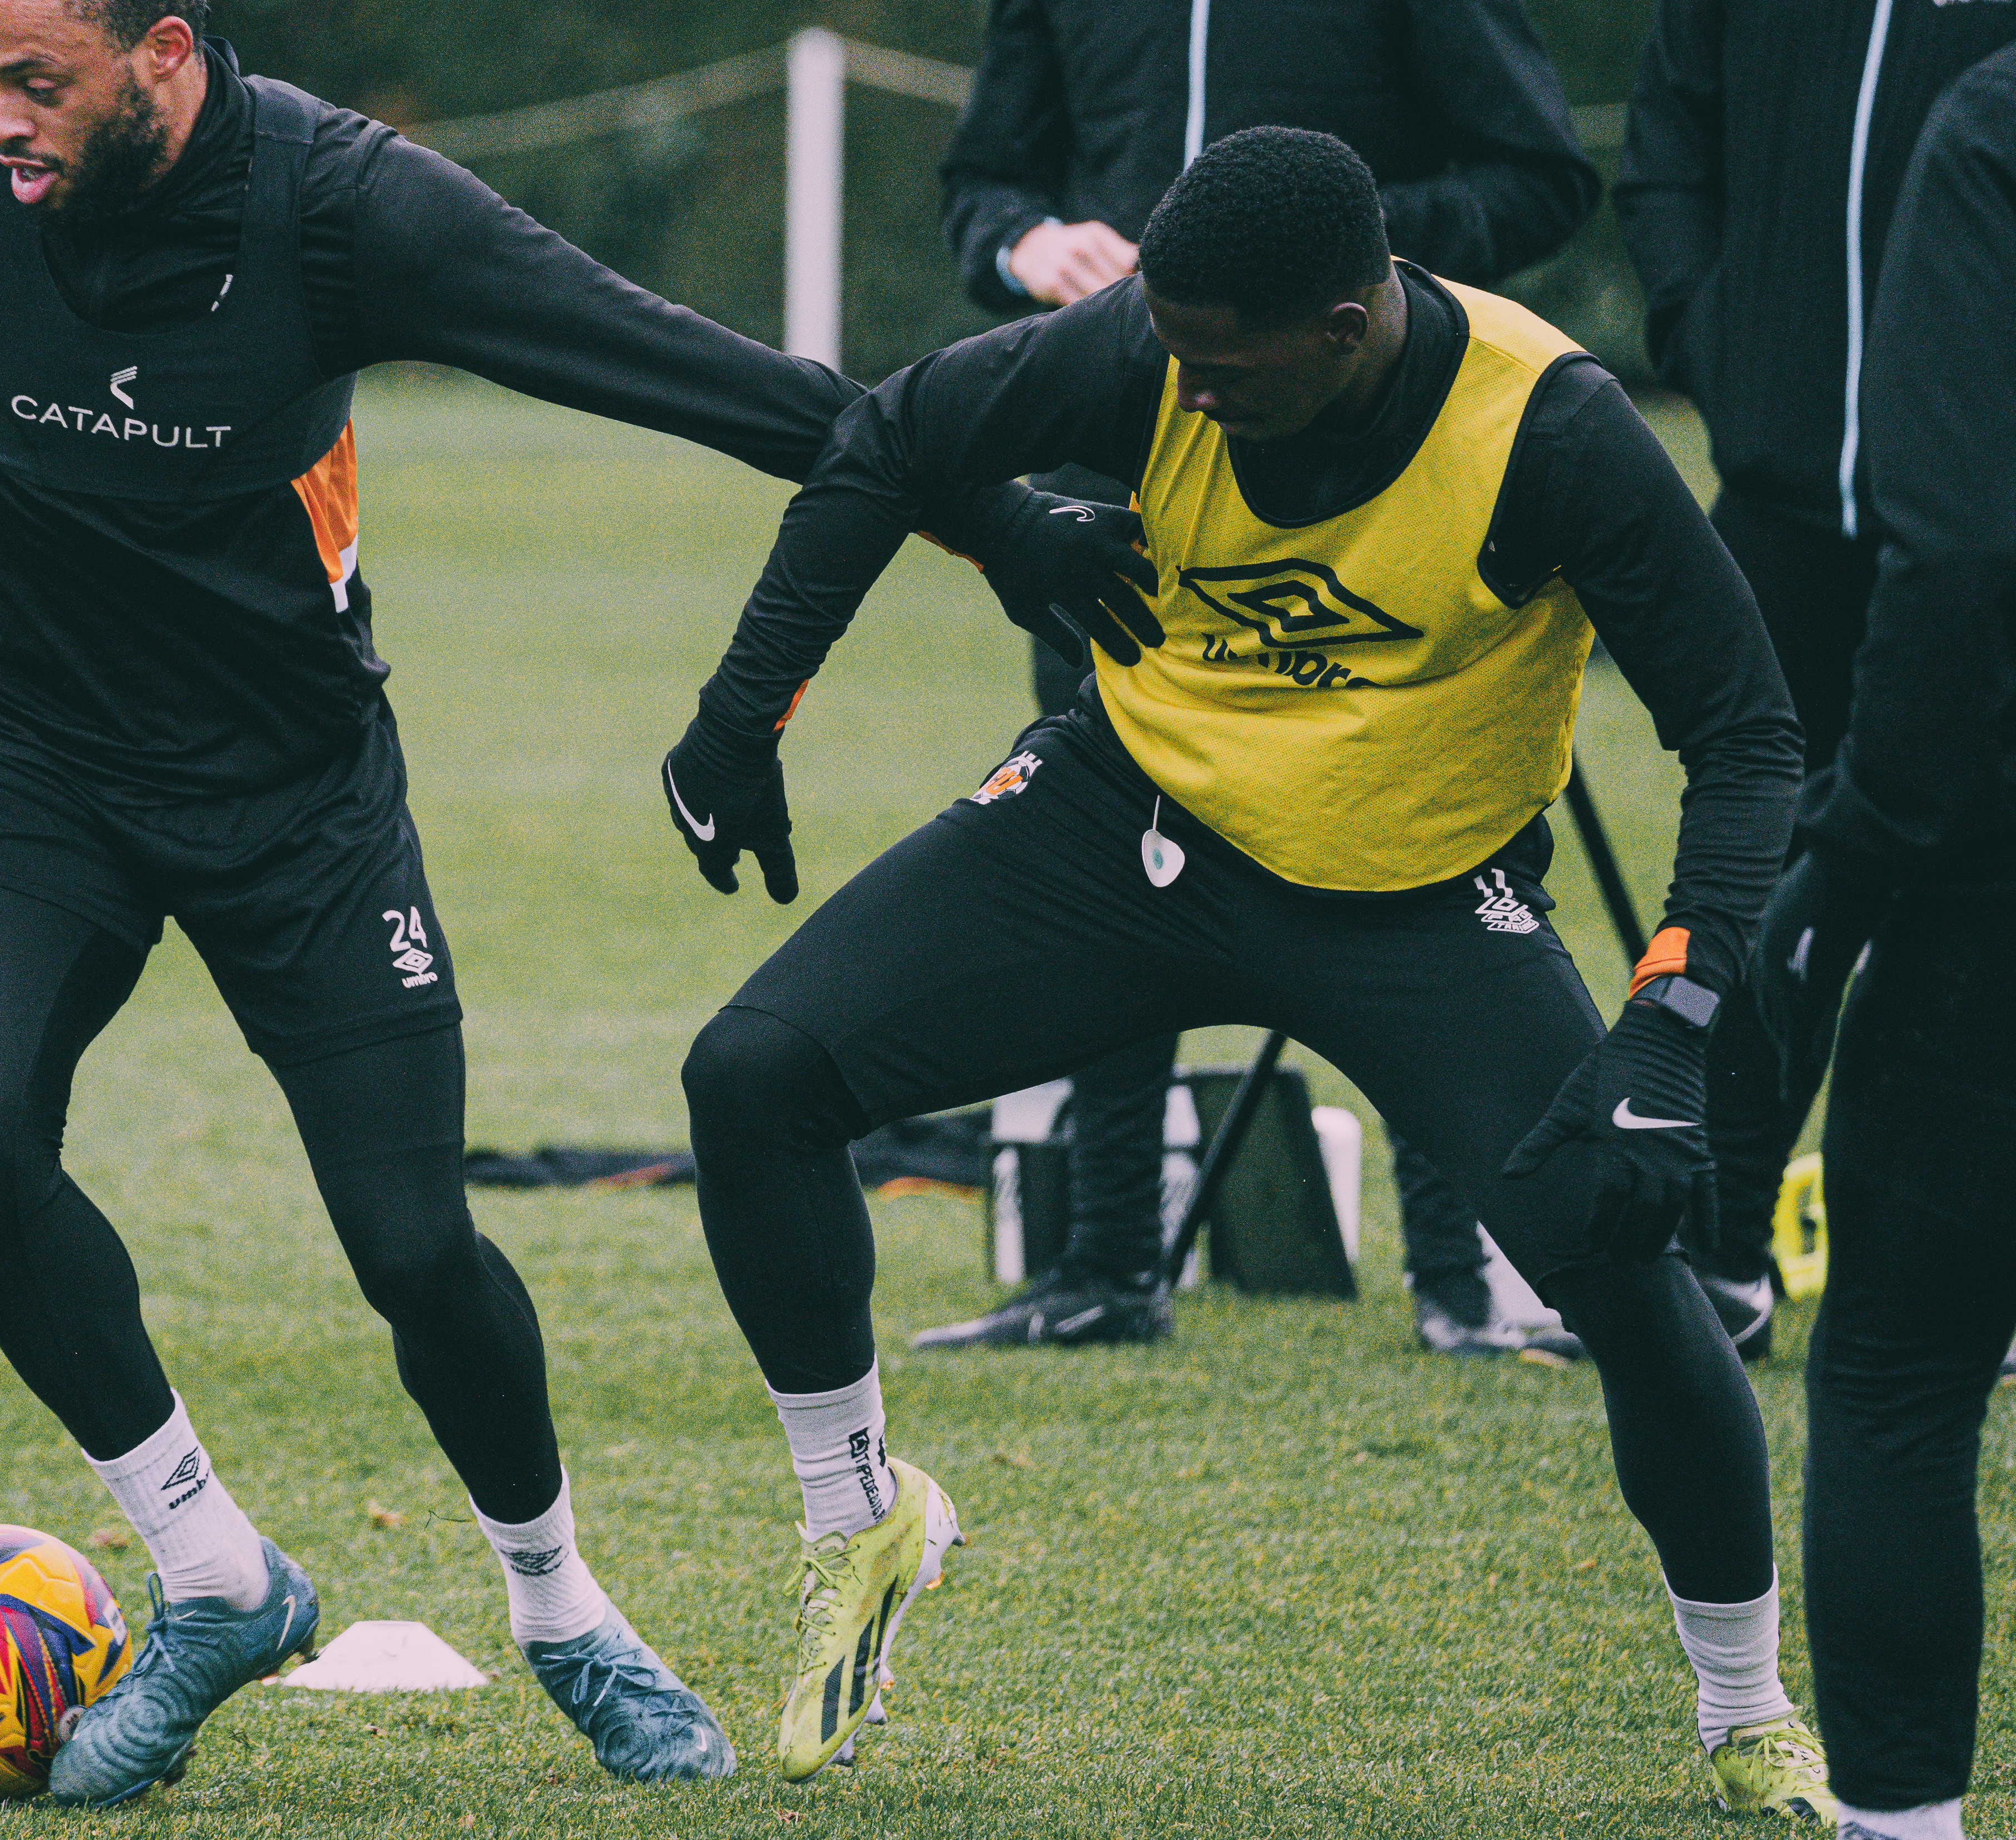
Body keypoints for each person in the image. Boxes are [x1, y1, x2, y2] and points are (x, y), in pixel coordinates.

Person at [0, 0, 1129, 1801]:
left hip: (296, 805)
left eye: (37, 85)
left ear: (164, 60)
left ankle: (563, 1612)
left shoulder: (347, 209)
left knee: (417, 1247)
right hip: (27, 757)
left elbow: (702, 375)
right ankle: (211, 1574)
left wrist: (1001, 517)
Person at [659, 127, 1830, 1811]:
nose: (1183, 396)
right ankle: (860, 1526)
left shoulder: (1551, 428)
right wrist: (749, 710)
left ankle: (1747, 1714)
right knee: (752, 1072)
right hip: (1125, 825)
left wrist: (1671, 1024)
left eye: (1226, 369)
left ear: (1351, 327)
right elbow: (894, 436)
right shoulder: (1155, 336)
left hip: (1422, 898)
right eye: (1171, 353)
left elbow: (1748, 733)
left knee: (1626, 1264)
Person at [929, 0, 1600, 1359]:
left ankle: (1462, 1281)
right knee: (1104, 831)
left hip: (1374, 484)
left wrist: (1343, 269)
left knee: (1412, 833)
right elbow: (982, 173)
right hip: (1122, 471)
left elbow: (1533, 177)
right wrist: (1024, 245)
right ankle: (1099, 1273)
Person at [1616, 0, 2016, 1347]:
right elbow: (1668, 139)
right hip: (1783, 499)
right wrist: (1719, 344)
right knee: (1752, 877)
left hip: (1979, 531)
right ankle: (1710, 1244)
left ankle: (1968, 1261)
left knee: (1962, 884)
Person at [1756, 0, 2016, 1840]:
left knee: (1906, 1372)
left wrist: (1858, 852)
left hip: (1990, 864)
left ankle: (1906, 1825)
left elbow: (1957, 555)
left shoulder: (1994, 131)